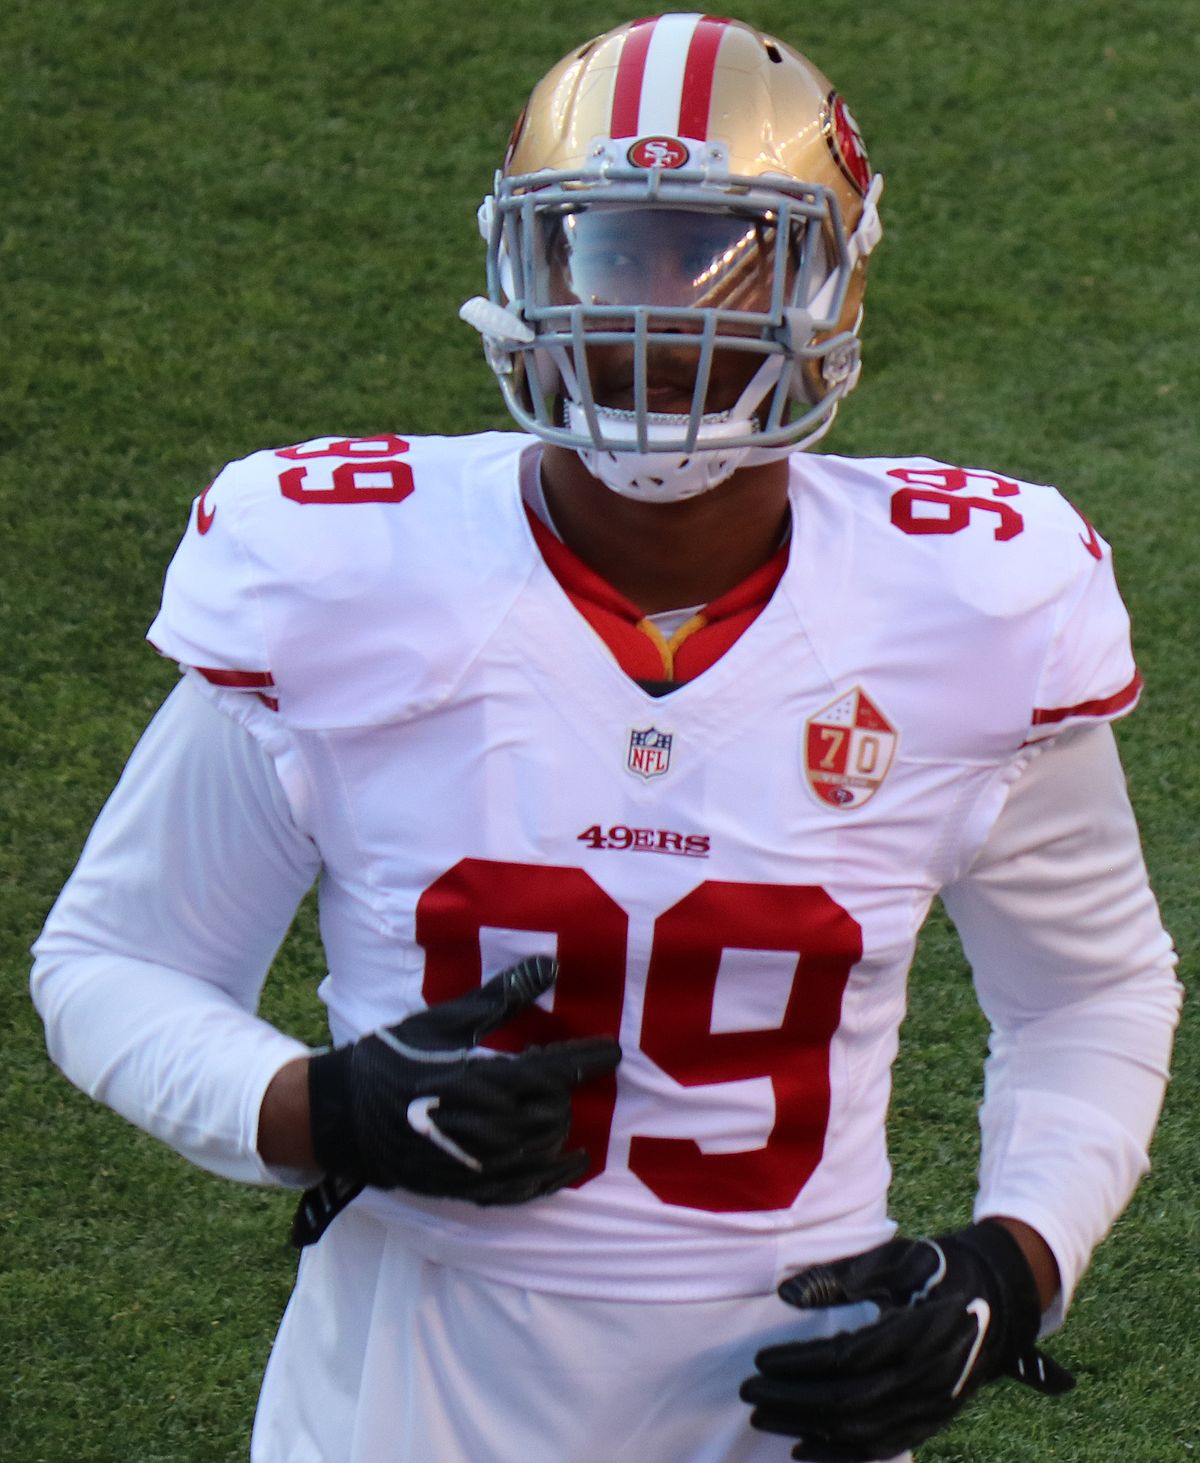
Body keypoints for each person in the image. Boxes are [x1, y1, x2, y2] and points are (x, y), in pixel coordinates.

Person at [31, 14, 1181, 1463]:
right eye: (613, 250)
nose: (665, 314)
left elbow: (1091, 992)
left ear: (837, 277)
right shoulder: (337, 572)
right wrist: (318, 1106)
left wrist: (1021, 1263)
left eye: (727, 253)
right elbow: (114, 961)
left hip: (791, 1382)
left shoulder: (977, 601)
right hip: (410, 1382)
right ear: (523, 265)